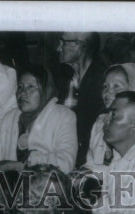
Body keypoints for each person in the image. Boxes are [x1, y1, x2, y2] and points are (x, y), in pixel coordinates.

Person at [0, 64, 78, 173]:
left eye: (30, 87)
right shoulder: (9, 118)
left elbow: (66, 164)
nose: (22, 93)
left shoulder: (64, 116)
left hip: (47, 187)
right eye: (20, 86)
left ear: (45, 89)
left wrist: (21, 166)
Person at [83, 63, 135, 171]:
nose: (108, 92)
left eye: (116, 86)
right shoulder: (100, 123)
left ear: (134, 88)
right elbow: (91, 163)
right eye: (105, 86)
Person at [55, 32, 108, 163]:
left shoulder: (103, 82)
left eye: (63, 42)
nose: (58, 48)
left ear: (80, 46)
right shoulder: (67, 77)